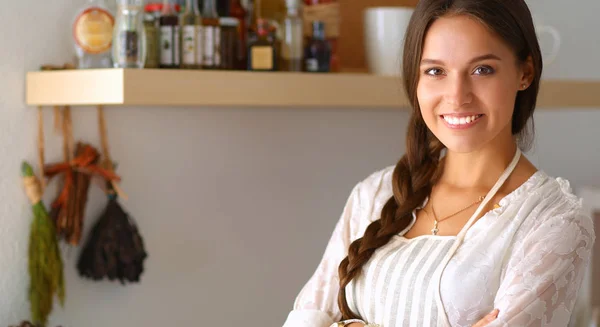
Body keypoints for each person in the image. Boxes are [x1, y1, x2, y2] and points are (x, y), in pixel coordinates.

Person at [281, 0, 596, 326]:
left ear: (524, 73)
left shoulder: (554, 222)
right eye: (435, 71)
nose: (457, 96)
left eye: (482, 69)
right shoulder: (373, 195)